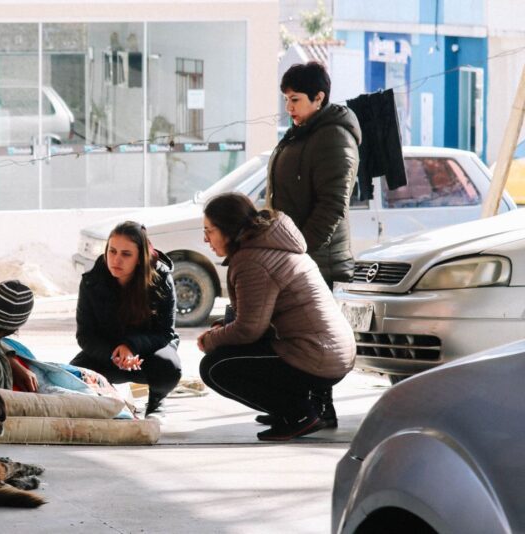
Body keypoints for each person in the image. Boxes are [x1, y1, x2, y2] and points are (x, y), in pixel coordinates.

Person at [197, 193, 356, 441]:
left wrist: (211, 340)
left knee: (215, 366)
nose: (205, 239)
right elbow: (256, 316)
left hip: (316, 355)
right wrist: (223, 329)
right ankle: (296, 407)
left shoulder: (251, 260)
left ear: (228, 229)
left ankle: (298, 414)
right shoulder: (270, 245)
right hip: (331, 351)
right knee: (233, 352)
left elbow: (249, 330)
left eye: (210, 230)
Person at [268, 61, 361, 426]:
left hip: (316, 256)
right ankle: (299, 405)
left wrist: (299, 250)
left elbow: (333, 204)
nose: (289, 108)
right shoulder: (304, 131)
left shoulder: (333, 136)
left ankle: (321, 408)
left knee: (316, 338)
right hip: (298, 254)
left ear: (319, 98)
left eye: (295, 100)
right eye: (286, 100)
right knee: (294, 334)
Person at [70, 221, 181, 417]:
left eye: (126, 254)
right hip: (108, 353)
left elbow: (165, 333)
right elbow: (85, 336)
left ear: (140, 257)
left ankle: (157, 400)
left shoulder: (161, 279)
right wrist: (114, 355)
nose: (116, 260)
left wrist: (131, 347)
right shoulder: (91, 281)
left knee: (168, 367)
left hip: (148, 354)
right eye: (112, 251)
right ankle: (109, 395)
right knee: (75, 375)